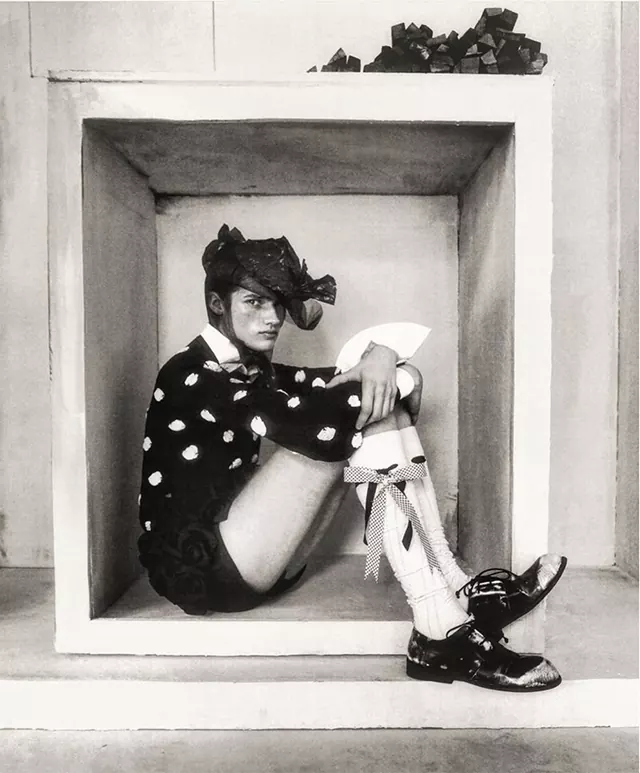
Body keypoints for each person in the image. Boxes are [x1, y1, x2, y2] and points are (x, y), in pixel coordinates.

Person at [138, 224, 567, 692]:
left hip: (258, 554)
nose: (273, 318)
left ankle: (452, 590)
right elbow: (321, 420)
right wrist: (388, 375)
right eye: (255, 302)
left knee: (374, 405)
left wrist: (383, 356)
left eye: (278, 304)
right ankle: (437, 626)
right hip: (206, 569)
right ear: (217, 304)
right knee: (359, 412)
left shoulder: (256, 371)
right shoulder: (190, 374)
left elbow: (343, 380)